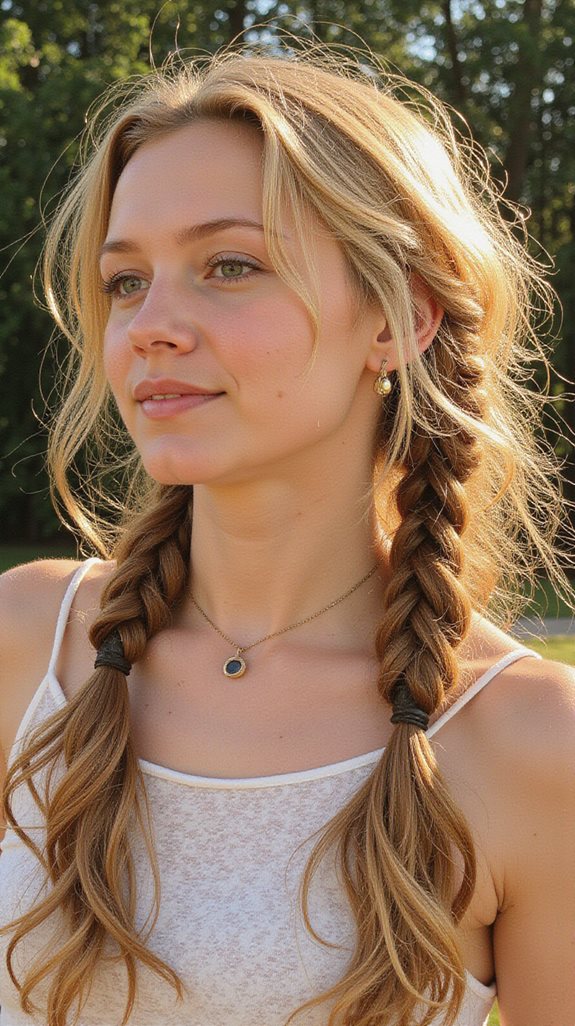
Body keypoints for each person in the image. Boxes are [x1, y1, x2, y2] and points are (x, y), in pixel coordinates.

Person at [0, 42, 574, 1026]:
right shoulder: (26, 642)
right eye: (127, 280)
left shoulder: (529, 743)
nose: (151, 326)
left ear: (399, 319)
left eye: (230, 265)